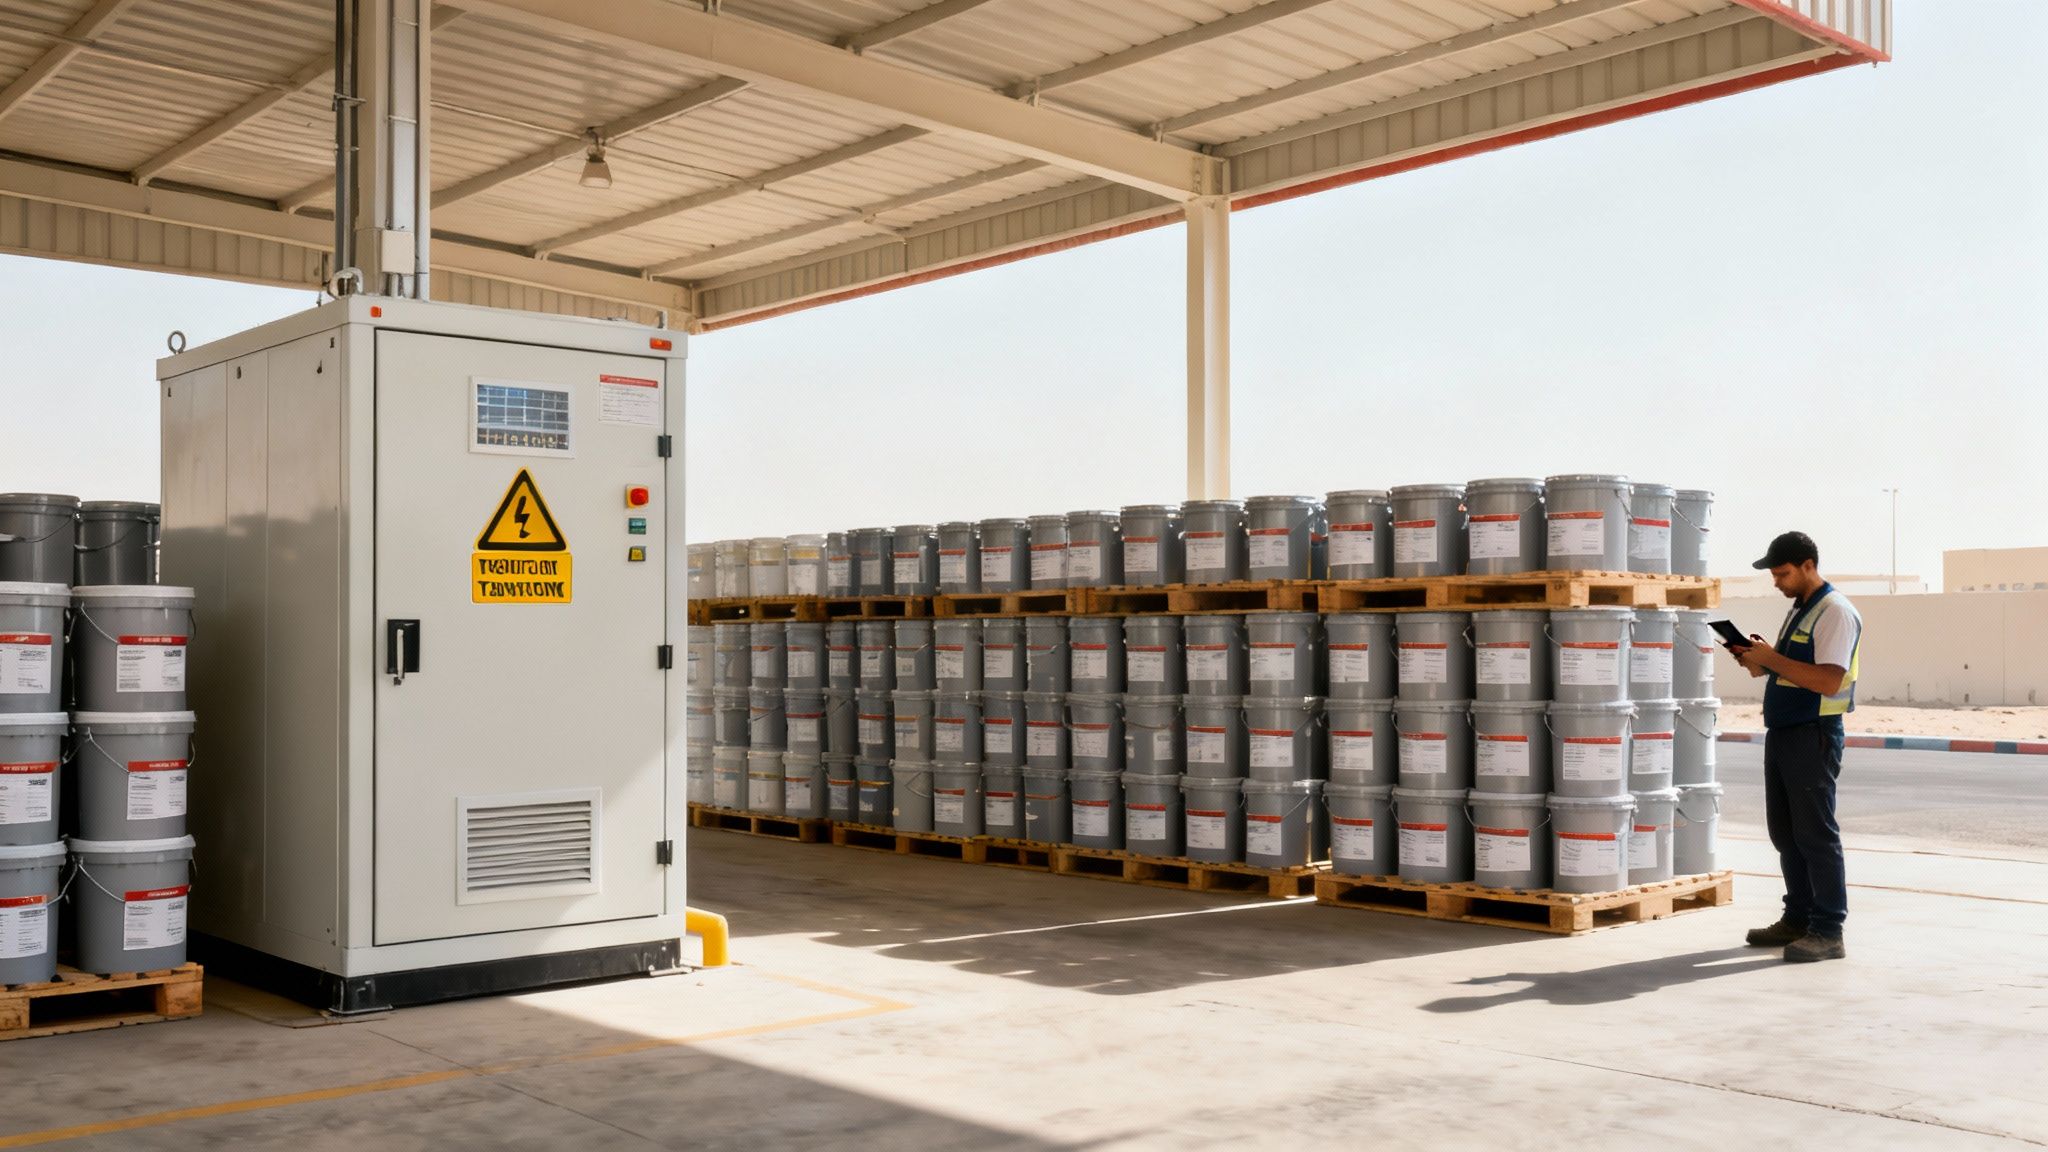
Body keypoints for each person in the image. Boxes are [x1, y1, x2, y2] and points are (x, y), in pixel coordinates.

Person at [1727, 531, 1863, 963]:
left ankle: (1828, 930)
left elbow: (1827, 680)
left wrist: (1770, 659)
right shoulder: (1802, 610)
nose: (1776, 582)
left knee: (1815, 835)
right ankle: (1799, 917)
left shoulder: (1835, 612)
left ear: (1808, 565)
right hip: (1785, 732)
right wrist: (1756, 660)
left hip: (1813, 733)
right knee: (1786, 834)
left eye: (1782, 573)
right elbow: (1792, 673)